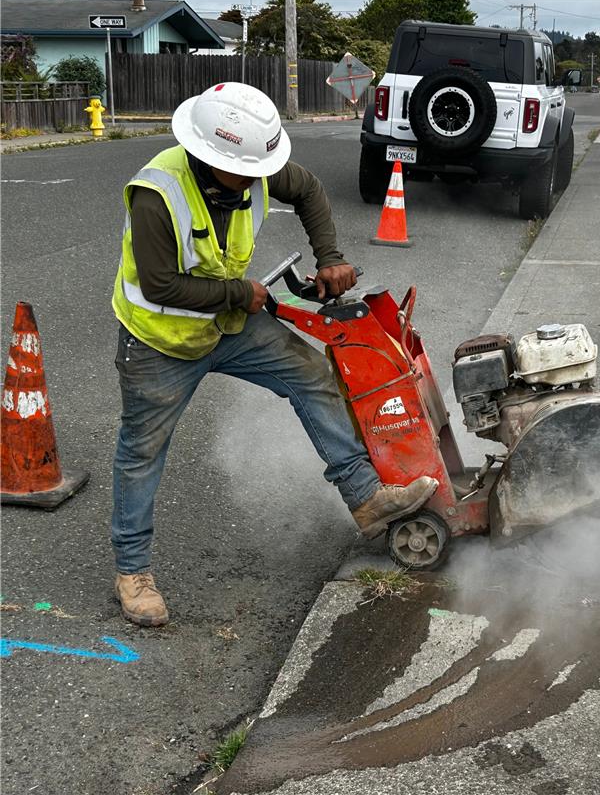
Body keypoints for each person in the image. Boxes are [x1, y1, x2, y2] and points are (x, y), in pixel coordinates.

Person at [111, 82, 438, 627]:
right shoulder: (157, 193)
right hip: (158, 342)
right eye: (246, 171)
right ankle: (132, 572)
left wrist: (330, 256)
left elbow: (307, 188)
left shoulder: (255, 167)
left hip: (226, 326)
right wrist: (242, 294)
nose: (260, 180)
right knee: (141, 452)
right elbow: (162, 284)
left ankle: (365, 496)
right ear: (207, 157)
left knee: (311, 373)